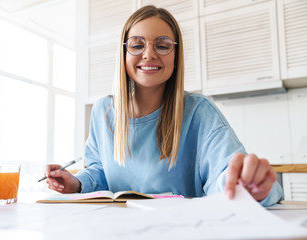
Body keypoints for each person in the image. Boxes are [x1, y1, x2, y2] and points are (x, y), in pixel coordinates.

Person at [44, 5, 283, 207]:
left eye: (163, 44)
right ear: (124, 54)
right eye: (137, 45)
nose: (149, 54)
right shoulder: (102, 111)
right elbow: (100, 170)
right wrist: (77, 182)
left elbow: (225, 177)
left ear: (175, 55)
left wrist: (250, 187)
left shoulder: (199, 112)